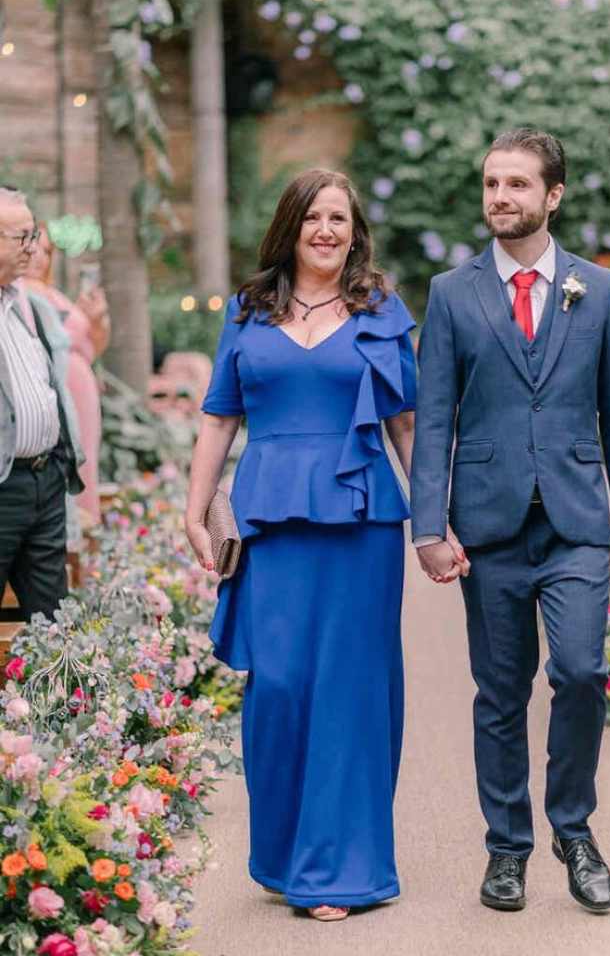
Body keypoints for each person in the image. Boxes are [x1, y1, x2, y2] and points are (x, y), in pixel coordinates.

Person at [184, 169, 434, 921]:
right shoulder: (247, 310)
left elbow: (407, 427)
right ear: (290, 225)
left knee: (350, 692)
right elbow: (219, 417)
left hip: (359, 526)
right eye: (314, 217)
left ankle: (339, 871)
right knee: (280, 689)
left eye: (341, 218)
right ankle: (284, 852)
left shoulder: (380, 312)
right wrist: (195, 511)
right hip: (270, 523)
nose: (327, 230)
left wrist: (433, 522)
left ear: (356, 231)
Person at [410, 129, 610, 915]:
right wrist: (428, 525)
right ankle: (506, 849)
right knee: (500, 693)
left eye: (516, 184)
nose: (499, 197)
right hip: (489, 526)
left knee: (581, 673)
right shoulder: (451, 293)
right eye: (490, 183)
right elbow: (433, 418)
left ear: (554, 195)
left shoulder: (598, 290)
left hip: (577, 521)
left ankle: (573, 829)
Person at [0, 187, 84, 619]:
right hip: (4, 484)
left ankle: (55, 689)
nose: (33, 250)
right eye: (23, 237)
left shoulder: (23, 303)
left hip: (44, 479)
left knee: (54, 624)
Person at [24, 224, 110, 524]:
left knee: (86, 464)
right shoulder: (18, 294)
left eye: (46, 251)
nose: (39, 258)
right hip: (56, 393)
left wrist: (96, 319)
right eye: (34, 248)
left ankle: (81, 538)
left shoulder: (54, 294)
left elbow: (92, 347)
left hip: (82, 394)